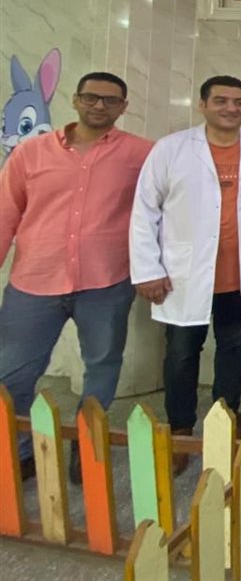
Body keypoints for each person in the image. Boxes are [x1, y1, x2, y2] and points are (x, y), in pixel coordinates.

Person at [129, 75, 241, 472]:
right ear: (202, 105)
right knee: (182, 354)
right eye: (221, 101)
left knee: (234, 350)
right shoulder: (172, 149)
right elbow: (145, 210)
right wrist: (147, 269)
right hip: (185, 276)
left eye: (239, 102)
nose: (231, 109)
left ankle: (227, 417)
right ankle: (180, 429)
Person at [0, 72, 153, 484]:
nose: (99, 106)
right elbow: (5, 212)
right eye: (91, 97)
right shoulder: (31, 153)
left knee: (102, 367)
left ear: (123, 107)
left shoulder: (141, 154)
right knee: (12, 373)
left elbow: (161, 209)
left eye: (110, 100)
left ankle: (86, 448)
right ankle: (20, 450)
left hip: (106, 281)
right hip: (34, 281)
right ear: (75, 100)